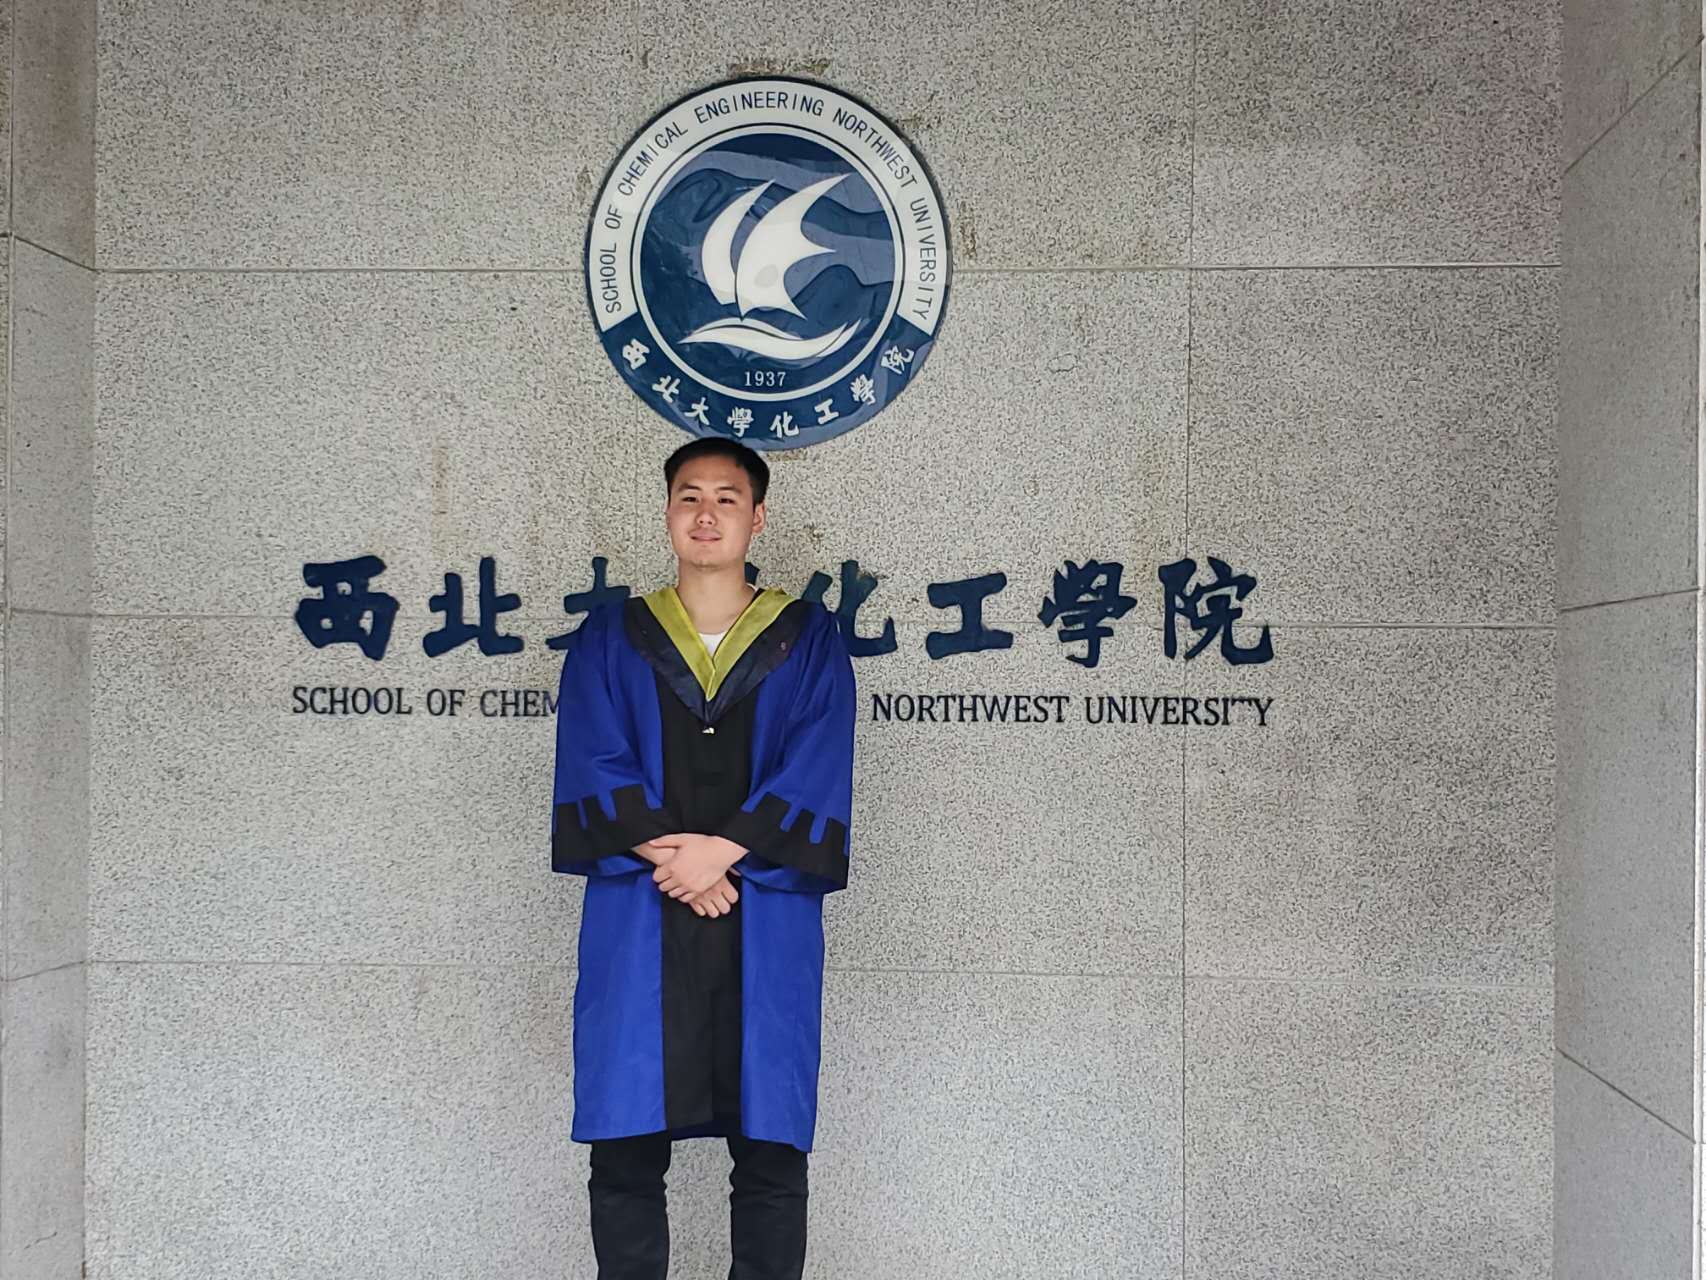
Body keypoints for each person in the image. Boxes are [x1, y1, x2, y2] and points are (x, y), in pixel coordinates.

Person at [550, 435, 857, 1280]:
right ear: (667, 514)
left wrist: (719, 852)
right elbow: (592, 755)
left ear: (759, 518)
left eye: (727, 498)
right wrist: (680, 860)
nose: (707, 513)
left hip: (766, 917)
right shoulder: (611, 636)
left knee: (770, 1153)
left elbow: (818, 761)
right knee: (624, 1147)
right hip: (638, 912)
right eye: (689, 496)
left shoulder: (809, 637)